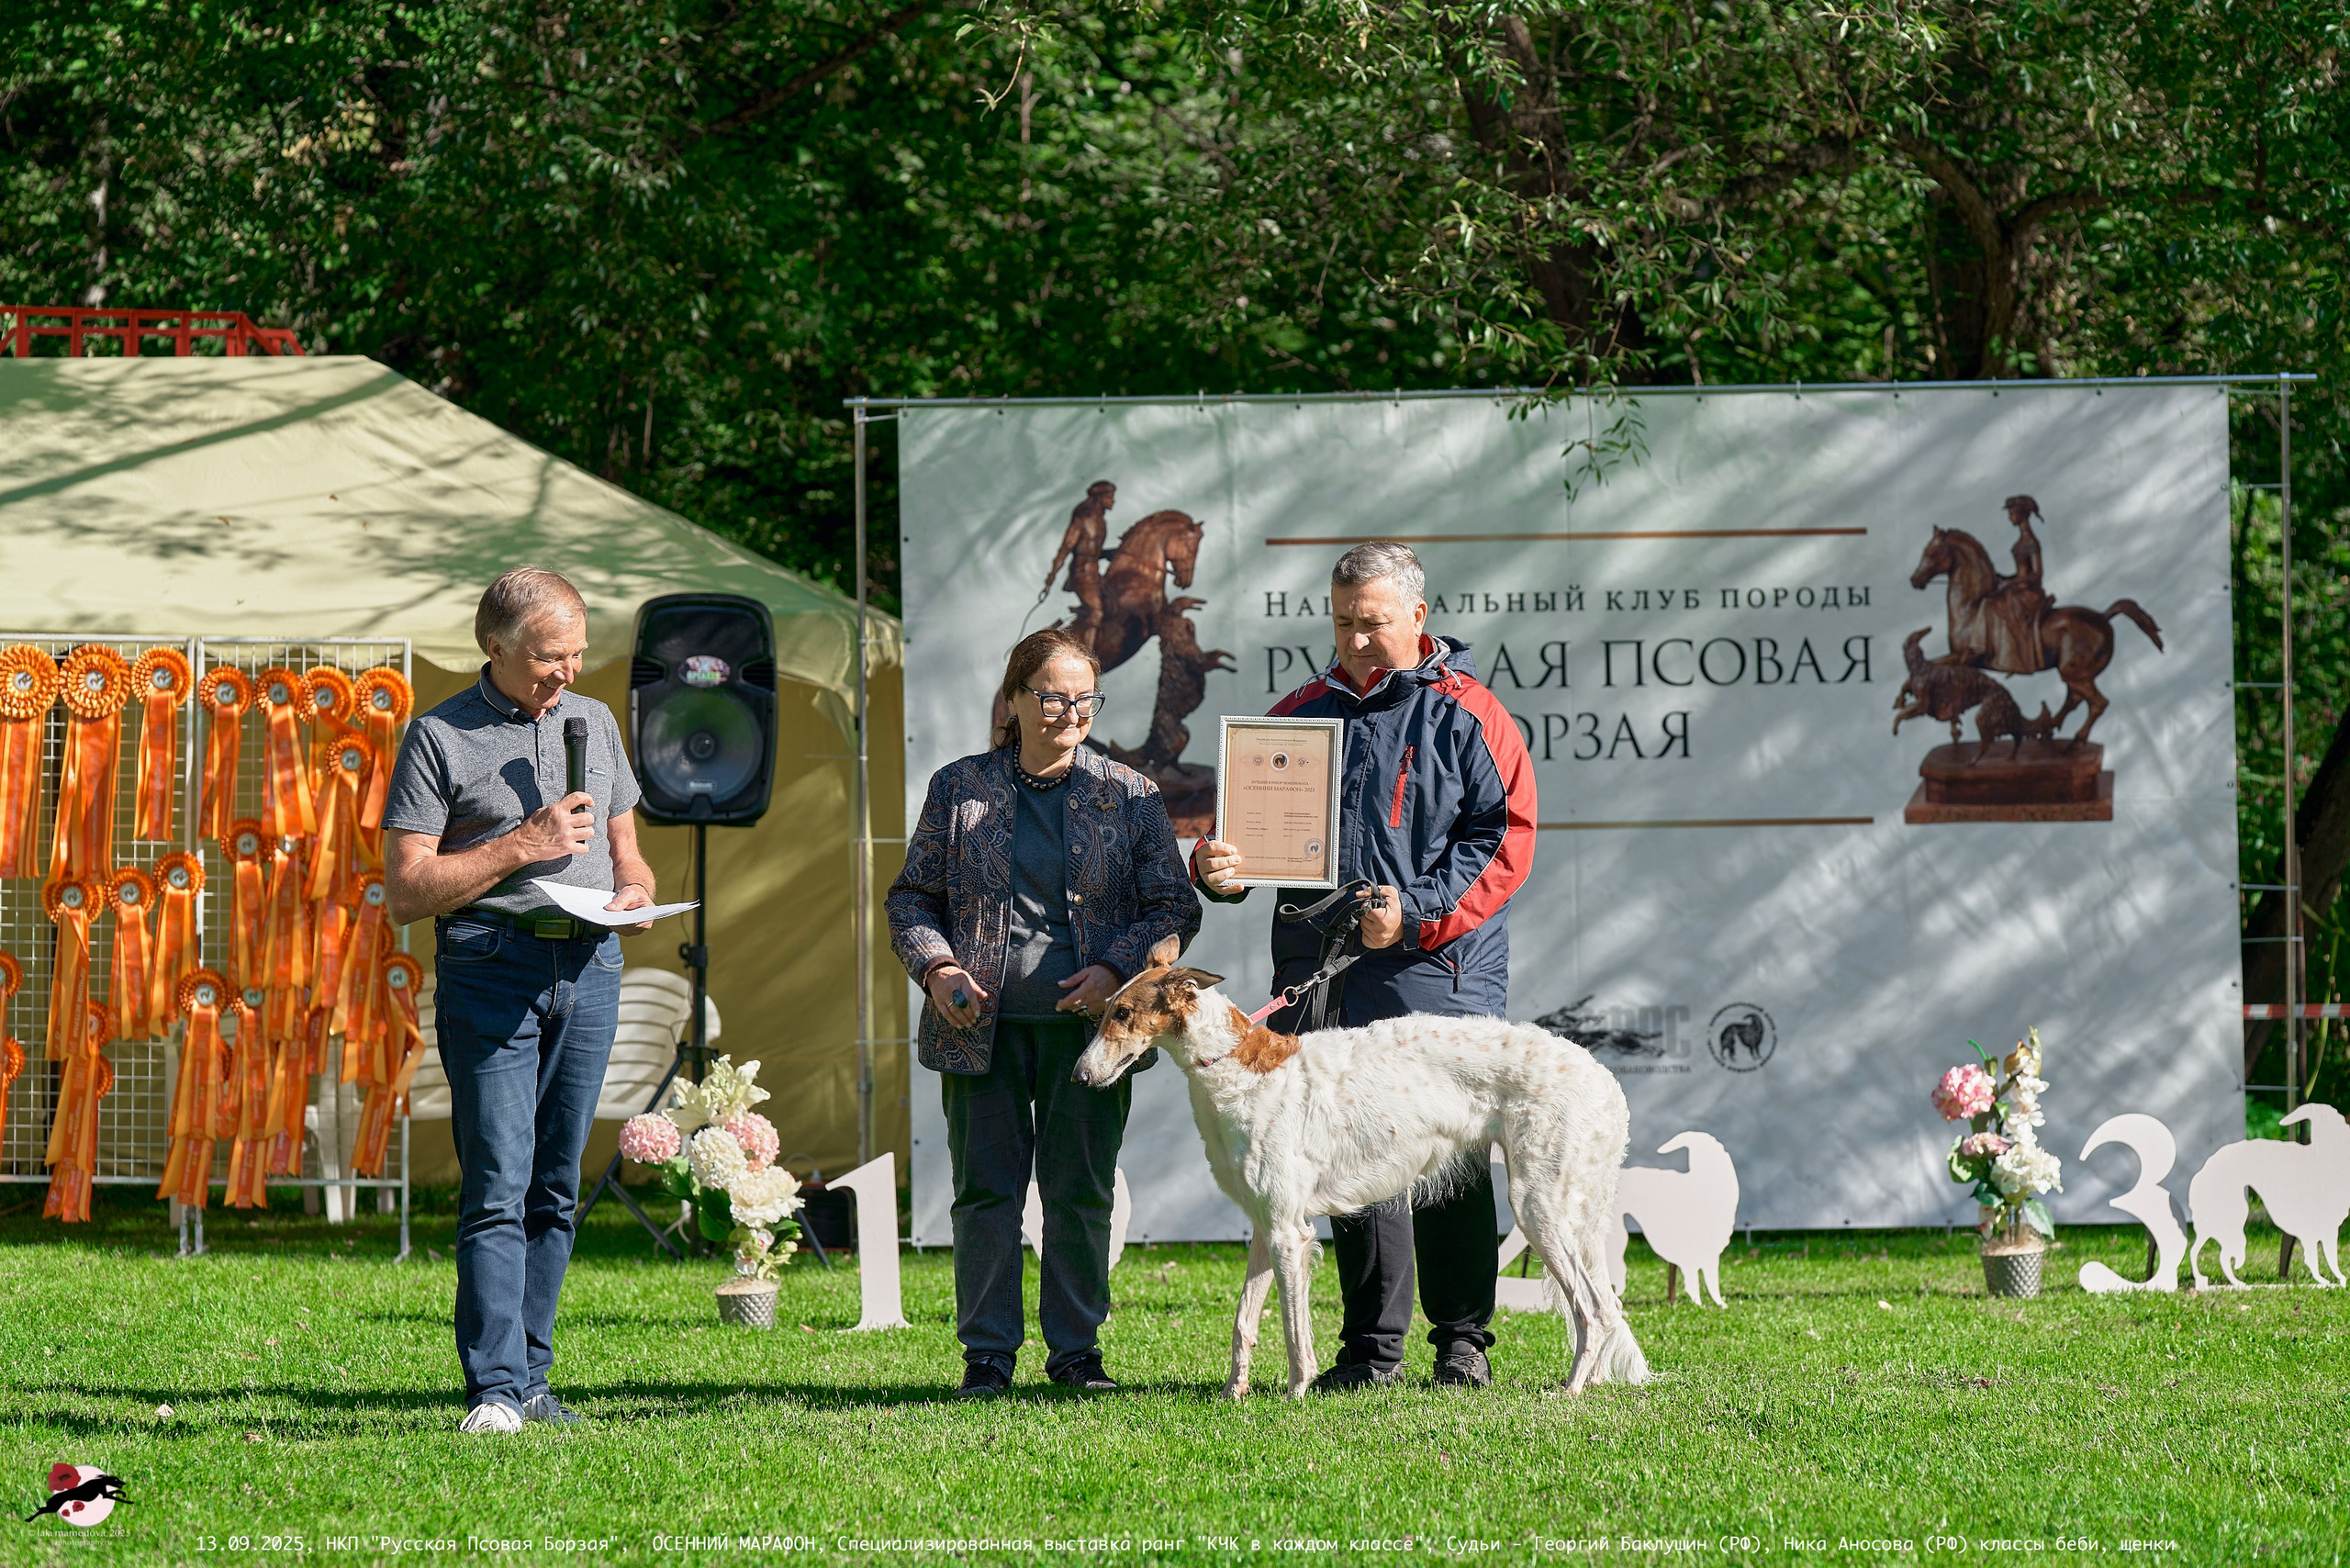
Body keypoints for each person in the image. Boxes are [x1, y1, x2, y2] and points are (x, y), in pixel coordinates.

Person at [1192, 541, 1537, 1391]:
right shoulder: (1299, 712)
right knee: (1346, 1159)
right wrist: (1218, 868)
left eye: (1374, 623)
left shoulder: (1470, 713)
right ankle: (1369, 1352)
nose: (1356, 639)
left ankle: (1462, 1346)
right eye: (1343, 622)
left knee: (1450, 1157)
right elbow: (1248, 837)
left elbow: (1505, 838)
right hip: (1323, 969)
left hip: (1436, 968)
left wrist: (1414, 915)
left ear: (1418, 617)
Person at [887, 628, 1200, 1398]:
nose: (1070, 712)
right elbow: (910, 898)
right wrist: (938, 967)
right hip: (978, 1033)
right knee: (986, 1195)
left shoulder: (1130, 794)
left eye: (1084, 698)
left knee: (1081, 1193)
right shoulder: (959, 787)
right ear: (1015, 699)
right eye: (1053, 696)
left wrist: (1116, 969)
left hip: (1095, 1039)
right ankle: (987, 1356)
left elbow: (1173, 907)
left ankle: (1076, 1354)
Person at [382, 566, 657, 1435]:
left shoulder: (597, 722)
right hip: (490, 966)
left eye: (576, 654)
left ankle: (535, 1378)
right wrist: (521, 845)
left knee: (554, 1185)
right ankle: (494, 1390)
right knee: (498, 1182)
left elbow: (627, 850)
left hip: (591, 966)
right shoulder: (437, 737)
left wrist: (637, 892)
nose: (566, 674)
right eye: (548, 659)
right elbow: (408, 889)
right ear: (492, 647)